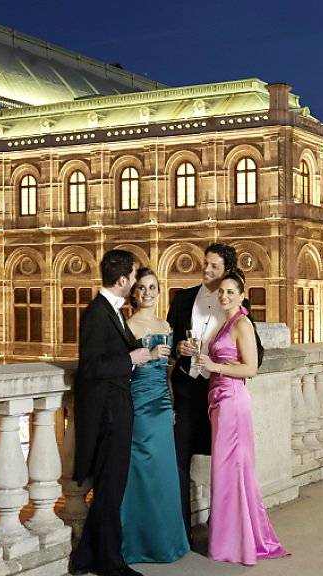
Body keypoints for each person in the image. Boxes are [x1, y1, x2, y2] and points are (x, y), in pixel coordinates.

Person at [168, 243, 264, 540]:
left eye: (214, 267)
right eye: (205, 264)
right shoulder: (183, 299)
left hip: (219, 394)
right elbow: (168, 338)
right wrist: (178, 348)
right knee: (178, 458)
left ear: (228, 273)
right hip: (186, 389)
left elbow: (255, 357)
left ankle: (222, 527)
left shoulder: (235, 307)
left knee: (224, 463)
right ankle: (181, 530)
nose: (207, 270)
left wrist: (220, 365)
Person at [195, 270, 288, 565]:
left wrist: (214, 365)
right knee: (227, 471)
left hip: (232, 402)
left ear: (242, 294)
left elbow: (250, 369)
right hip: (220, 400)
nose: (224, 296)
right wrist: (204, 360)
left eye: (230, 292)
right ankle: (232, 536)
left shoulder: (243, 324)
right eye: (221, 292)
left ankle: (235, 542)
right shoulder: (227, 321)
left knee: (231, 469)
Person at [69, 250, 150, 576]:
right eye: (133, 276)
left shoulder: (111, 311)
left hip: (116, 410)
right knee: (110, 490)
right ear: (122, 280)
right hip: (107, 415)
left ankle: (87, 556)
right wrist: (134, 359)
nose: (135, 281)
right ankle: (111, 563)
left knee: (109, 488)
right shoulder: (96, 313)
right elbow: (91, 368)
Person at [119, 268, 190, 564]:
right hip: (139, 403)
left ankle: (166, 541)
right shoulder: (128, 326)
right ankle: (137, 543)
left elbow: (170, 370)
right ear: (134, 293)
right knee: (141, 470)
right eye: (142, 288)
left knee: (163, 473)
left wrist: (181, 351)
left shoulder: (166, 325)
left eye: (153, 287)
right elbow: (122, 367)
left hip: (162, 403)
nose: (148, 293)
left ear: (160, 291)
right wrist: (145, 357)